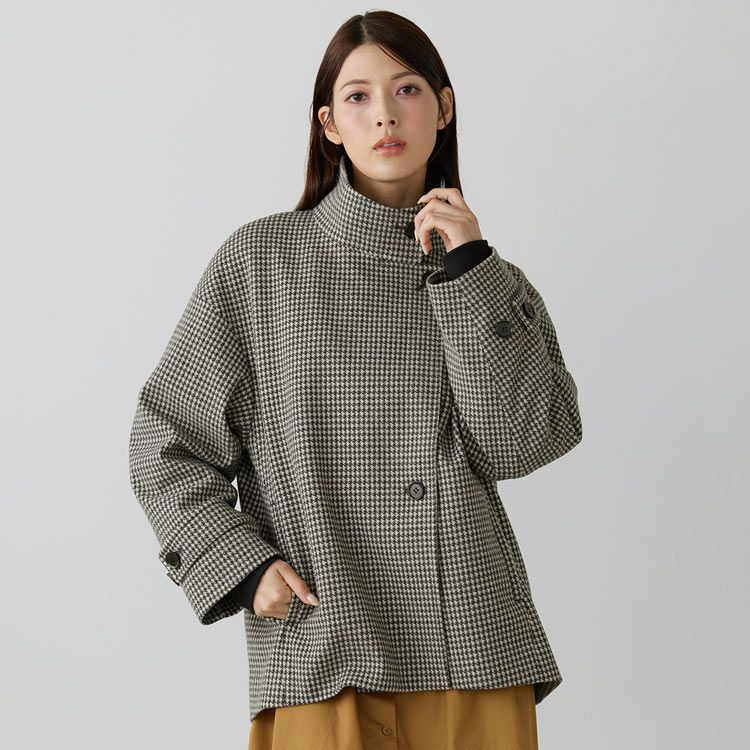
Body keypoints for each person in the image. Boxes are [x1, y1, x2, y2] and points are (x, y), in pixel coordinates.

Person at [128, 10, 583, 749]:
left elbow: (521, 445)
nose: (385, 116)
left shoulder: (491, 282)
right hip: (323, 642)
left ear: (444, 107)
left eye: (407, 90)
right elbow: (165, 441)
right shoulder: (261, 262)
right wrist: (241, 566)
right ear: (330, 124)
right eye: (358, 97)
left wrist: (468, 271)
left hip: (472, 647)